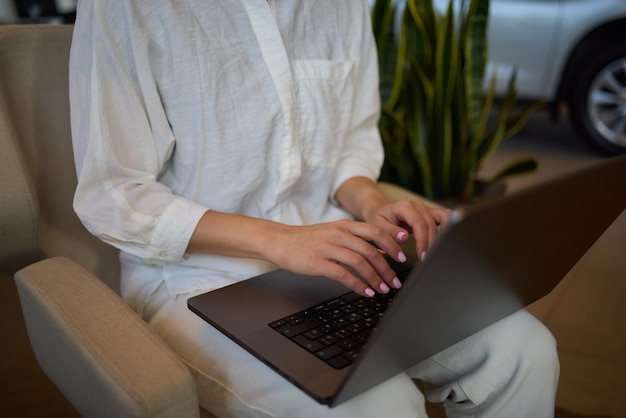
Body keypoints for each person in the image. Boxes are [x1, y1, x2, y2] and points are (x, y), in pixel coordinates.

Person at [69, 1, 560, 417]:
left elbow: (350, 140)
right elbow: (113, 193)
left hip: (339, 257)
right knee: (380, 406)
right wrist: (281, 241)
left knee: (527, 351)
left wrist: (371, 202)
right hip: (197, 281)